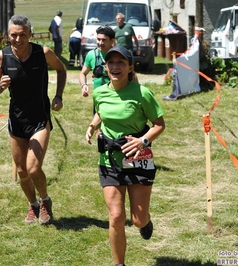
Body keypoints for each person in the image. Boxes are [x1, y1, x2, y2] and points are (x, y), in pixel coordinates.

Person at [85, 46, 165, 266]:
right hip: (109, 160)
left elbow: (159, 124)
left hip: (138, 159)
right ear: (106, 66)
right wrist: (92, 126)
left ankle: (145, 223)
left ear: (130, 67)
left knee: (137, 220)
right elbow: (101, 111)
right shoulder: (100, 92)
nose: (115, 66)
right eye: (111, 62)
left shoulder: (142, 93)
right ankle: (119, 264)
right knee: (117, 216)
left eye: (121, 62)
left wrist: (143, 141)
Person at [0, 14, 66, 225]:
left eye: (22, 35)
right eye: (13, 35)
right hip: (17, 120)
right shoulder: (2, 57)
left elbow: (61, 69)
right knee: (22, 171)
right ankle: (32, 205)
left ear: (30, 34)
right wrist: (0, 86)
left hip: (39, 119)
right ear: (8, 36)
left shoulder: (43, 53)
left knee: (33, 168)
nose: (18, 39)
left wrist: (58, 96)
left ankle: (45, 200)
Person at [79, 25, 115, 99]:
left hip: (115, 96)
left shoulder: (119, 55)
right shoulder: (91, 54)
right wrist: (83, 85)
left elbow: (131, 75)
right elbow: (83, 73)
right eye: (98, 39)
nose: (100, 43)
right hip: (99, 97)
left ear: (112, 41)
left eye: (104, 40)